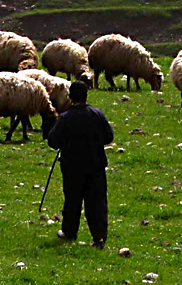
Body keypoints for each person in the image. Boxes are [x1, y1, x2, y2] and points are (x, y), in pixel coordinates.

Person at [45, 78, 114, 246]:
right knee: (96, 201)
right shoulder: (97, 114)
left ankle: (69, 233)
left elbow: (53, 141)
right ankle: (99, 236)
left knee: (72, 200)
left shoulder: (65, 117)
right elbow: (108, 137)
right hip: (96, 165)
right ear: (86, 95)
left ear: (70, 97)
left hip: (72, 167)